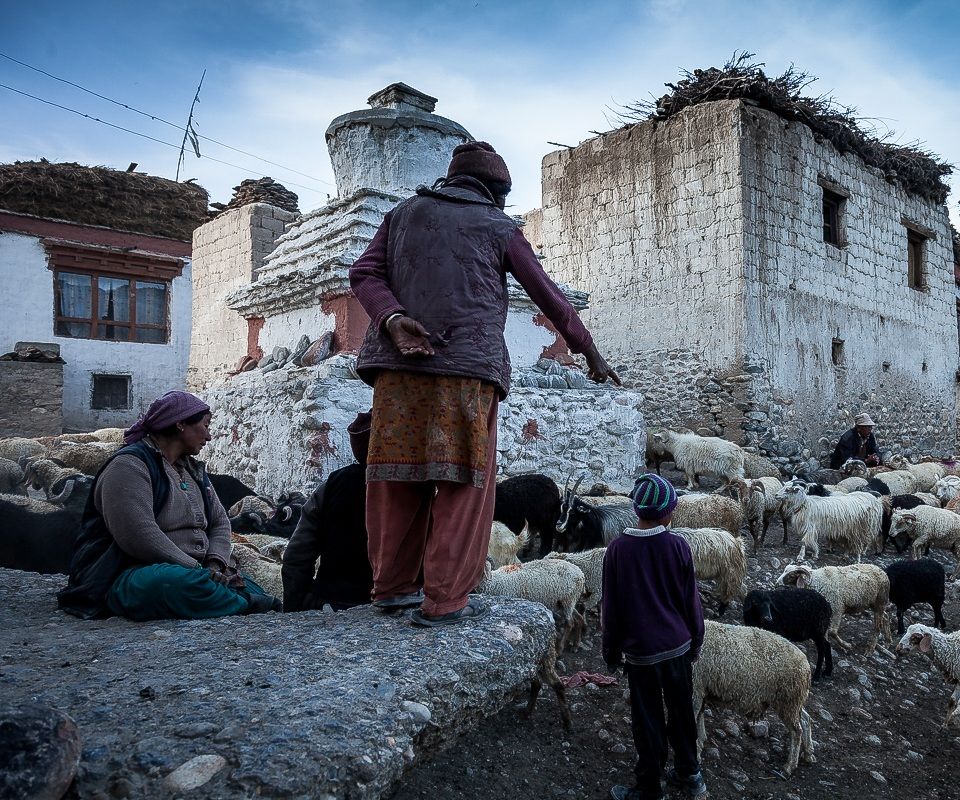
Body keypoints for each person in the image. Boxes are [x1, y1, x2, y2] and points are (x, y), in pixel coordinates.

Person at [349, 141, 620, 627]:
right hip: (467, 374)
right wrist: (588, 350)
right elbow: (547, 293)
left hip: (399, 373)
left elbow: (364, 272)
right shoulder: (498, 226)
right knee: (464, 484)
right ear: (497, 192)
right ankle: (445, 600)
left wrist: (392, 318)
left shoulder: (403, 214)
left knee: (396, 476)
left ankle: (391, 589)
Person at [57, 391, 280, 620]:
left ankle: (240, 599)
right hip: (132, 572)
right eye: (205, 425)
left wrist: (215, 564)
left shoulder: (192, 470)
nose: (209, 436)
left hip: (198, 571)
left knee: (246, 585)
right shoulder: (129, 467)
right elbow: (140, 535)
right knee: (172, 583)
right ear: (181, 424)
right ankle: (244, 605)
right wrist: (194, 568)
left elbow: (220, 522)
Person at [602, 473, 706, 800]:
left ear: (637, 510)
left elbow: (612, 608)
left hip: (641, 653)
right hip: (678, 647)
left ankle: (649, 786)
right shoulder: (678, 546)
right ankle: (691, 775)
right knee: (682, 712)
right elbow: (691, 599)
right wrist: (696, 638)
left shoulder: (618, 551)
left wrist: (611, 651)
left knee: (646, 720)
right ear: (668, 512)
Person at [281, 411, 373, 612]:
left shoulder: (333, 484)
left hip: (332, 601)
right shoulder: (416, 489)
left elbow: (297, 555)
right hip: (396, 602)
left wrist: (294, 608)